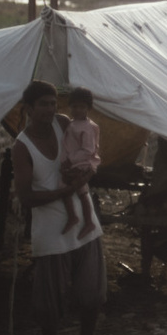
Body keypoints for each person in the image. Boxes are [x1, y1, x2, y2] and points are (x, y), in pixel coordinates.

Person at [13, 79, 106, 335]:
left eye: (53, 103)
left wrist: (86, 175)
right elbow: (26, 198)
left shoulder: (64, 123)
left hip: (84, 222)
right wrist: (65, 191)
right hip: (52, 230)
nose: (50, 109)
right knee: (50, 303)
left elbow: (88, 154)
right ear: (28, 108)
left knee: (92, 294)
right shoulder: (22, 146)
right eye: (43, 104)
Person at [59, 87, 102, 239]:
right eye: (74, 106)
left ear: (88, 109)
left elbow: (88, 150)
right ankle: (78, 218)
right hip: (73, 162)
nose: (77, 110)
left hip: (81, 164)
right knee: (73, 190)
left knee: (75, 190)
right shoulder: (73, 124)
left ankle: (84, 220)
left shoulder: (87, 127)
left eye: (82, 107)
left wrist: (70, 159)